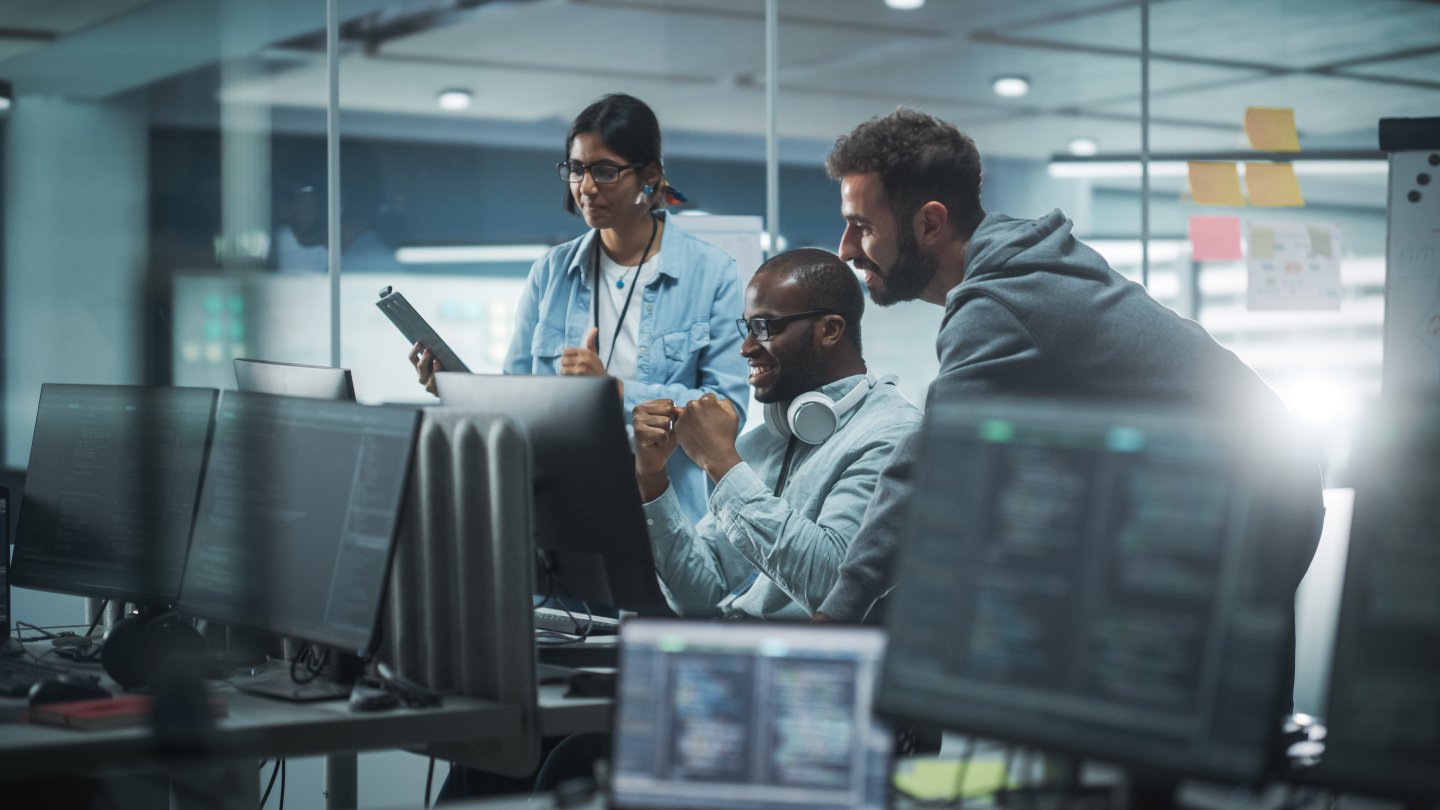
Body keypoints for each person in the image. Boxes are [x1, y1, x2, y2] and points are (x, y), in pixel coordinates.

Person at [816, 108, 1323, 624]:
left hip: (1249, 501)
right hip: (1256, 483)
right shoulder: (1019, 260)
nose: (846, 249)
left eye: (862, 226)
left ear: (929, 222)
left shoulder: (1002, 303)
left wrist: (836, 616)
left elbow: (927, 469)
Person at [412, 93, 747, 524]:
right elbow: (521, 401)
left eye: (605, 171)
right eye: (576, 169)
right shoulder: (551, 273)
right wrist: (456, 389)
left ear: (650, 176)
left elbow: (726, 416)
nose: (586, 187)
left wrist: (613, 391)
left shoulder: (712, 273)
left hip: (667, 517)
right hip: (563, 508)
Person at [632, 248, 922, 620]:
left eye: (766, 327)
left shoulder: (892, 436)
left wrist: (721, 464)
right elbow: (703, 597)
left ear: (830, 330)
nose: (747, 347)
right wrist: (651, 478)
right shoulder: (761, 442)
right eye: (748, 327)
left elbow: (834, 589)